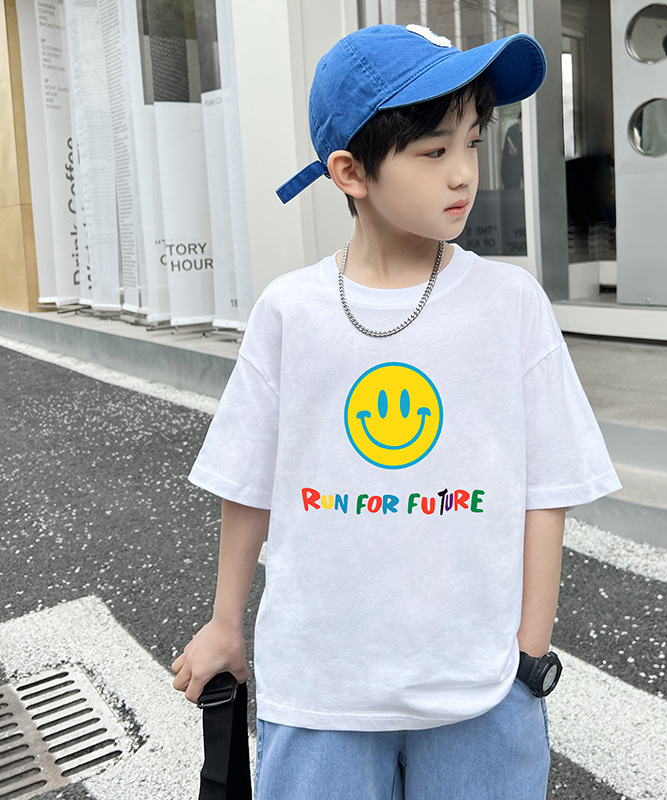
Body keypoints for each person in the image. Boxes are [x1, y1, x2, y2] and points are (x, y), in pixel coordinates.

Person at [172, 23, 621, 800]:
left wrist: (528, 651)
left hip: (481, 686)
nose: (464, 172)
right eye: (433, 150)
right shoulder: (291, 311)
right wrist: (225, 622)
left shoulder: (508, 303)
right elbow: (247, 478)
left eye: (472, 141)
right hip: (321, 687)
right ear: (351, 172)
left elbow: (549, 485)